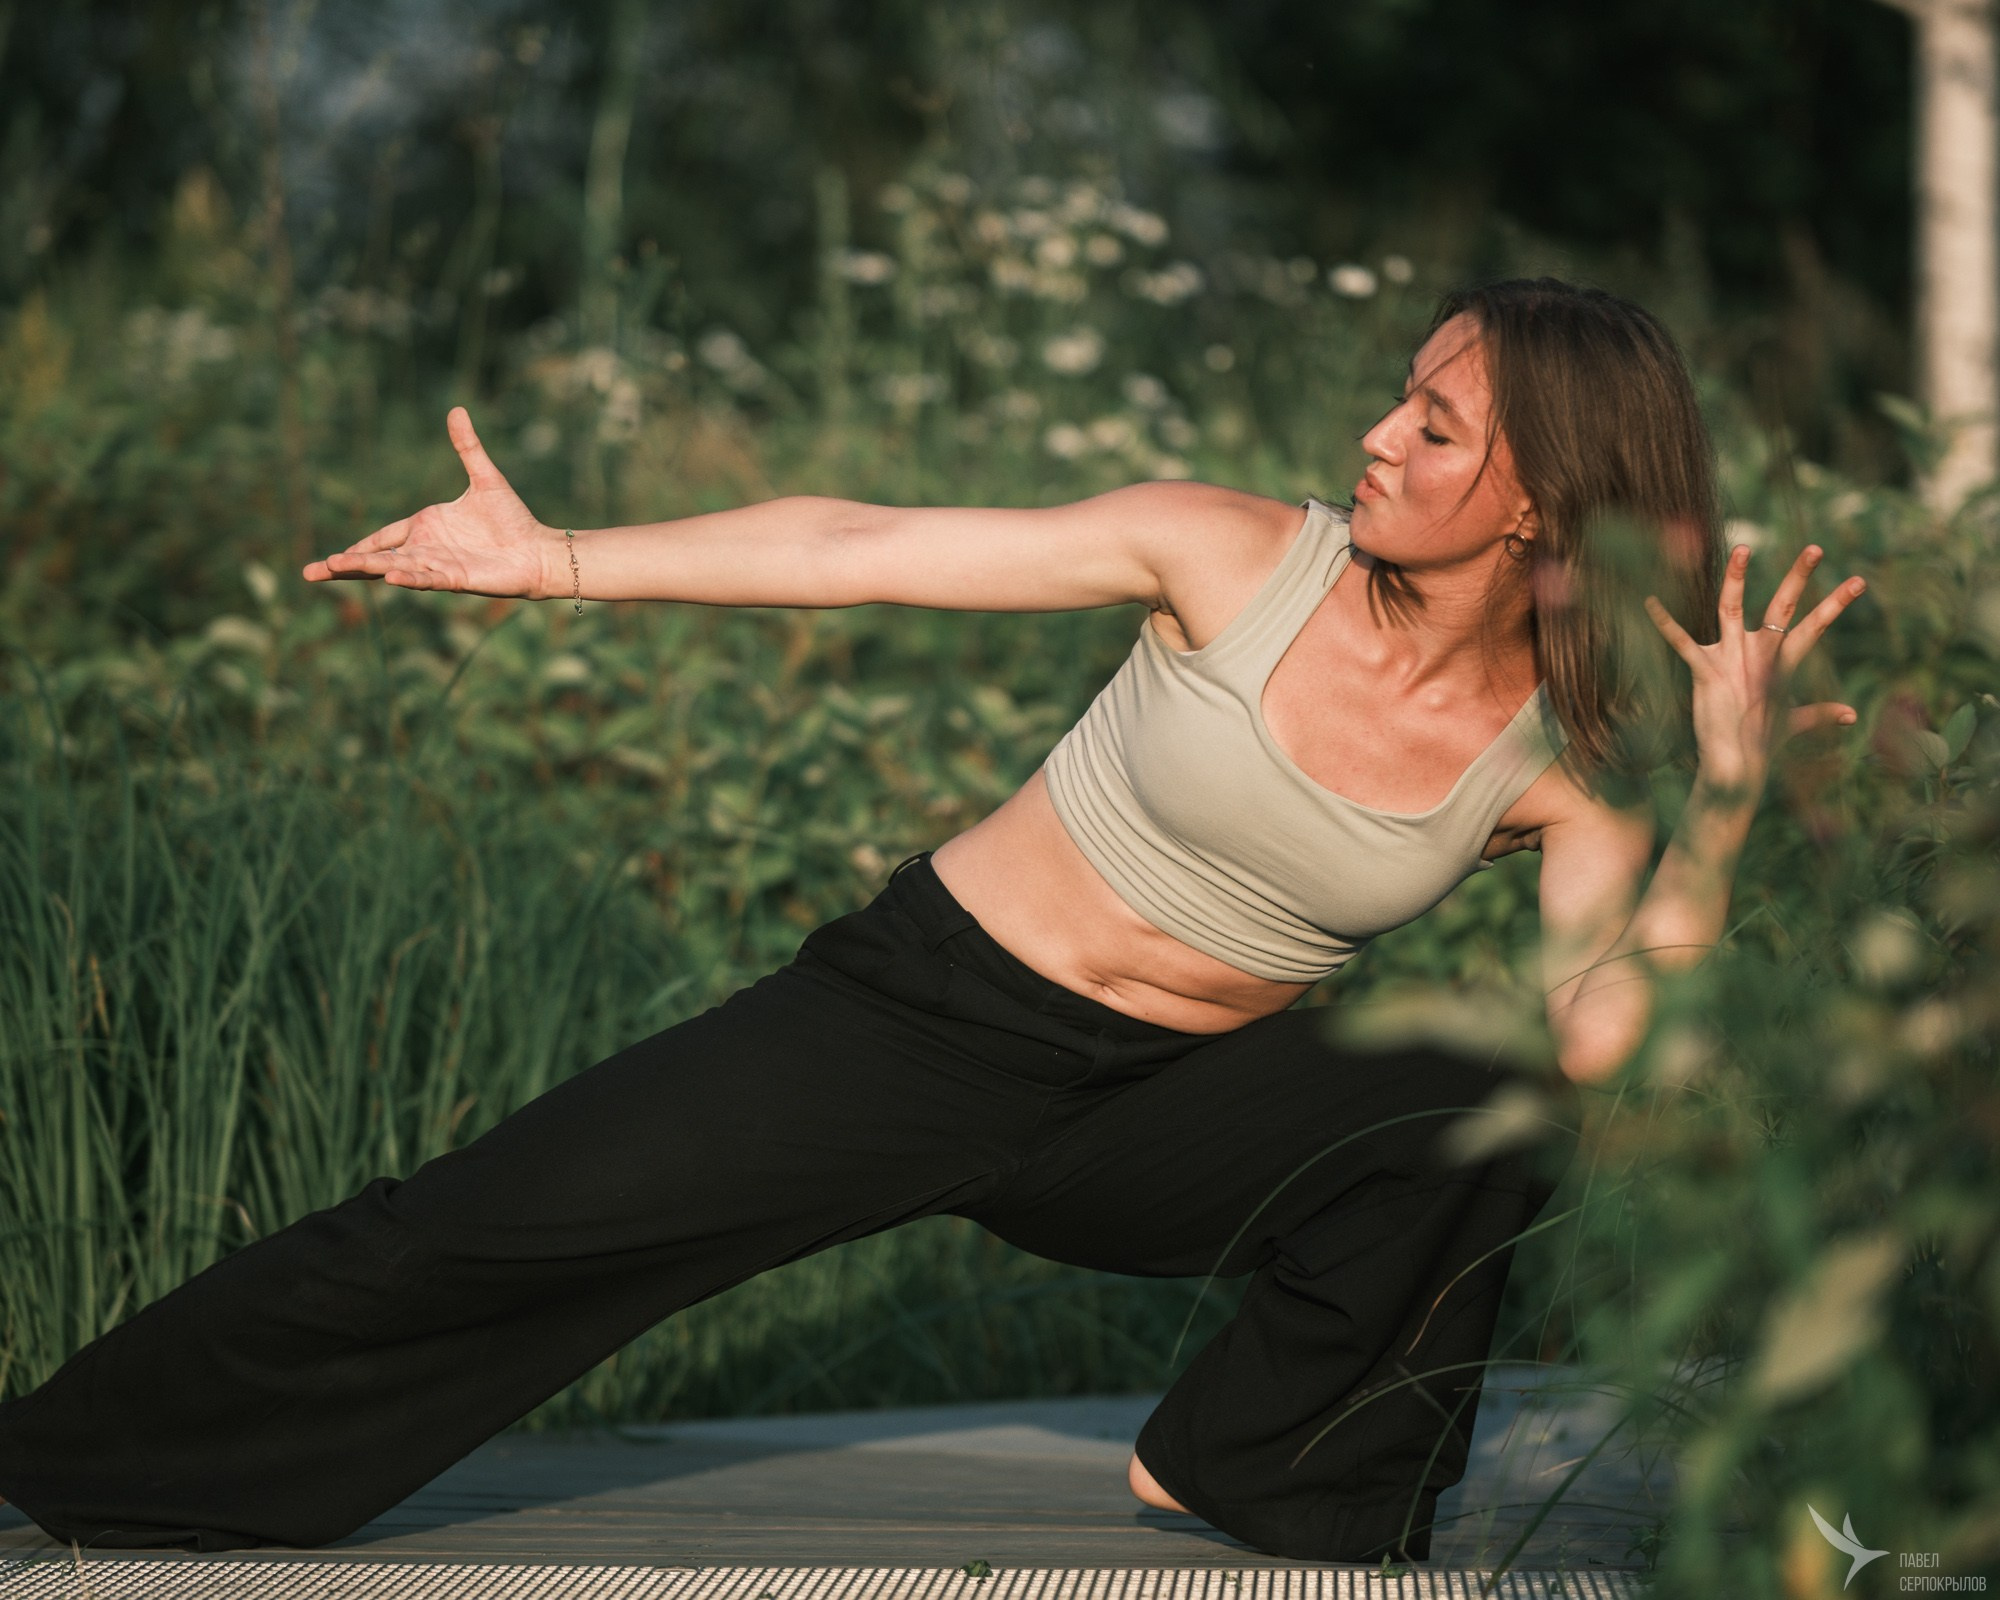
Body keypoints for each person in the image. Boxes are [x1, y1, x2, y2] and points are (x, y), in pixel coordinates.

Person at [0, 277, 1864, 1564]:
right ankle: (70, 1454)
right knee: (480, 1231)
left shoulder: (1558, 763)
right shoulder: (1230, 550)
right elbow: (858, 541)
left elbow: (1616, 1059)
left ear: (1539, 499)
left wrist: (1718, 803)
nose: (1377, 432)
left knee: (1482, 1100)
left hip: (1155, 1108)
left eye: (1433, 422)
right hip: (907, 1025)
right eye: (1398, 390)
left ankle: (1271, 1472)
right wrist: (552, 560)